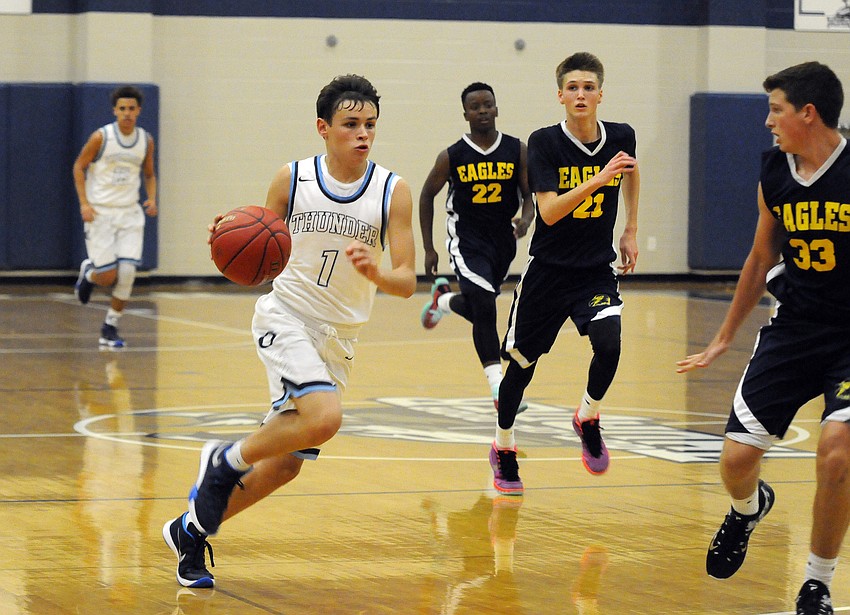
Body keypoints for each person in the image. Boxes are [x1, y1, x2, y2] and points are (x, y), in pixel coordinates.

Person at [162, 74, 416, 588]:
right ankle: (224, 458)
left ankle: (191, 531)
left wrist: (378, 273)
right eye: (350, 124)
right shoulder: (293, 178)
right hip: (288, 317)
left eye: (370, 125)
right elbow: (259, 247)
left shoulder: (393, 191)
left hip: (339, 339)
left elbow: (408, 281)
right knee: (325, 417)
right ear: (323, 128)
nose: (362, 134)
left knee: (284, 466)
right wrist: (226, 236)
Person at [676, 61, 850, 615]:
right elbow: (760, 257)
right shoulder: (775, 173)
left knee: (836, 455)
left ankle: (816, 583)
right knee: (734, 460)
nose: (768, 121)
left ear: (808, 112)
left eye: (776, 109)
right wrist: (724, 336)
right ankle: (749, 510)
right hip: (795, 328)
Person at [488, 52, 640, 495]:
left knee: (609, 346)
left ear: (600, 95)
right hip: (548, 273)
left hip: (595, 270)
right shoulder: (544, 142)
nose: (580, 94)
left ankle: (588, 415)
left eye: (588, 87)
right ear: (560, 95)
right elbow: (549, 212)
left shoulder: (622, 136)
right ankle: (504, 447)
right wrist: (599, 177)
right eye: (572, 87)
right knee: (520, 368)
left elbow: (631, 173)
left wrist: (630, 227)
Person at [418, 82, 535, 409]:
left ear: (496, 109)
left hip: (502, 242)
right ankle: (499, 387)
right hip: (466, 240)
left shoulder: (517, 150)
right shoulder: (452, 155)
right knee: (484, 305)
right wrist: (429, 247)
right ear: (466, 113)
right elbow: (427, 195)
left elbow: (529, 195)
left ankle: (443, 302)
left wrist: (525, 221)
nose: (482, 111)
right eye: (475, 107)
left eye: (488, 105)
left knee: (480, 305)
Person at [72, 85, 157, 348]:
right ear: (115, 111)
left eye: (132, 108)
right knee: (107, 276)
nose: (127, 113)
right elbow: (78, 166)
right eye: (122, 109)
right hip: (101, 212)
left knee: (129, 272)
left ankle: (110, 325)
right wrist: (84, 203)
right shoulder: (102, 137)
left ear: (139, 110)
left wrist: (152, 198)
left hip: (130, 213)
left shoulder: (145, 140)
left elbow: (149, 174)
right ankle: (89, 274)